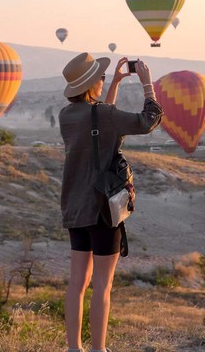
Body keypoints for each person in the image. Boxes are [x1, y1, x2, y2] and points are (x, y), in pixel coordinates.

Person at [59, 52, 163, 352]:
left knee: (77, 284)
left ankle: (74, 348)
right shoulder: (103, 115)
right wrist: (147, 85)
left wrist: (116, 82)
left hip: (75, 206)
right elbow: (147, 121)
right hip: (104, 209)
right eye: (101, 78)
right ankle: (98, 349)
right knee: (102, 284)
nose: (104, 80)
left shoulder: (66, 116)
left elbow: (101, 119)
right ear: (92, 85)